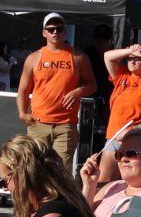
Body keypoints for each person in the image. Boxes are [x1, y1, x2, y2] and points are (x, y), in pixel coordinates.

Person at [17, 12, 94, 168]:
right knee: (36, 169)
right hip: (38, 124)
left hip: (65, 125)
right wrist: (22, 112)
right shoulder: (34, 58)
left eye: (59, 29)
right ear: (44, 33)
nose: (55, 33)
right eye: (51, 29)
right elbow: (23, 90)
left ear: (65, 31)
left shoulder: (78, 56)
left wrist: (77, 91)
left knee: (60, 172)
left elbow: (92, 84)